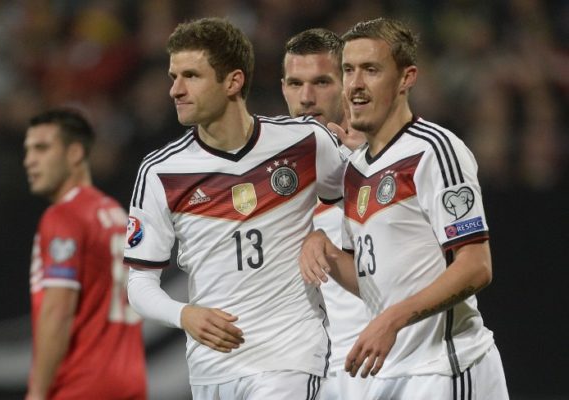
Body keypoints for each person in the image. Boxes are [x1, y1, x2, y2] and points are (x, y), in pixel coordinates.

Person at [124, 18, 346, 399]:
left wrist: (322, 234)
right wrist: (184, 314)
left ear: (233, 81)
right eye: (173, 76)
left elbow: (359, 205)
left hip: (291, 358)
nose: (176, 89)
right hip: (213, 367)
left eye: (191, 76)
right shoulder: (161, 171)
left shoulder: (306, 142)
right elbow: (139, 283)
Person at [299, 18, 509, 399]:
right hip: (392, 372)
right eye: (348, 70)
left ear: (406, 78)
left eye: (371, 70)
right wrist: (325, 250)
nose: (355, 84)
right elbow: (373, 284)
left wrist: (392, 320)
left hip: (447, 367)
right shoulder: (354, 170)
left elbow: (476, 265)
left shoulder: (435, 151)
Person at [24, 108, 147, 400]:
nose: (29, 161)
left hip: (80, 384)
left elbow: (59, 309)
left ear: (75, 152)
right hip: (130, 381)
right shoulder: (117, 215)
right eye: (27, 150)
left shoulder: (63, 217)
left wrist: (38, 392)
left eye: (41, 148)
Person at [281, 28, 372, 399]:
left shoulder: (387, 159)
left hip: (381, 365)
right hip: (308, 374)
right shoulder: (266, 171)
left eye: (321, 81)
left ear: (348, 82)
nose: (306, 98)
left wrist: (361, 164)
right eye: (295, 83)